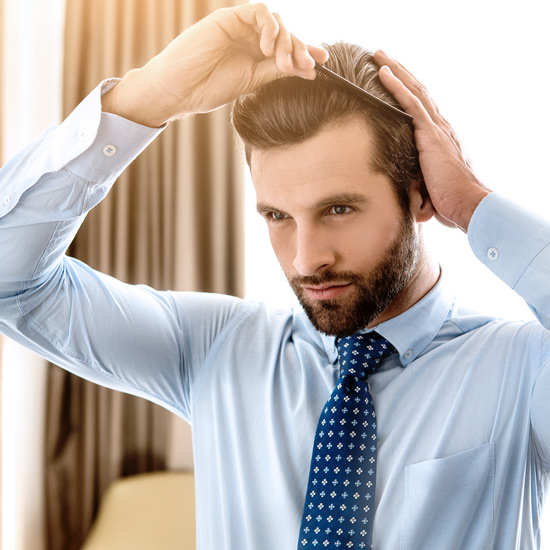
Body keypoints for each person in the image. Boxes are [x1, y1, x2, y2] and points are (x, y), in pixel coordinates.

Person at [0, 3, 549, 549]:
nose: (306, 259)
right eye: (278, 216)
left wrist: (476, 206)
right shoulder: (212, 349)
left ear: (423, 193)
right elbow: (11, 281)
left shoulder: (520, 369)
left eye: (339, 210)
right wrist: (149, 97)